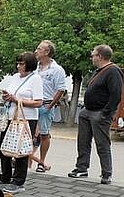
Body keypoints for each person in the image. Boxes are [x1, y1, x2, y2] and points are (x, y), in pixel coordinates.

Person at [0, 52, 43, 193]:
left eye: (22, 64)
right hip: (10, 117)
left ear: (29, 64)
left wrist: (17, 100)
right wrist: (7, 97)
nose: (18, 66)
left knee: (21, 150)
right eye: (18, 63)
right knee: (4, 147)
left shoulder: (35, 79)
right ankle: (5, 176)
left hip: (26, 119)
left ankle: (18, 181)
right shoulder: (14, 77)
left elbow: (38, 102)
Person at [68, 45, 123, 184]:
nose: (91, 57)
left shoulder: (113, 71)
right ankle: (81, 168)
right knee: (83, 141)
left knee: (102, 143)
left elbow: (116, 94)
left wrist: (106, 113)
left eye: (93, 55)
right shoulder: (98, 71)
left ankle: (106, 173)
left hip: (100, 112)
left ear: (100, 56)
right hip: (87, 111)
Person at [34, 40, 66, 173]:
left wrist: (51, 105)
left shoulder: (57, 70)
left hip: (45, 104)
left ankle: (41, 162)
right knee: (29, 133)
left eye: (39, 49)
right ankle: (25, 160)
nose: (36, 51)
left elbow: (60, 89)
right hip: (32, 104)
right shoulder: (35, 67)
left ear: (47, 52)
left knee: (44, 134)